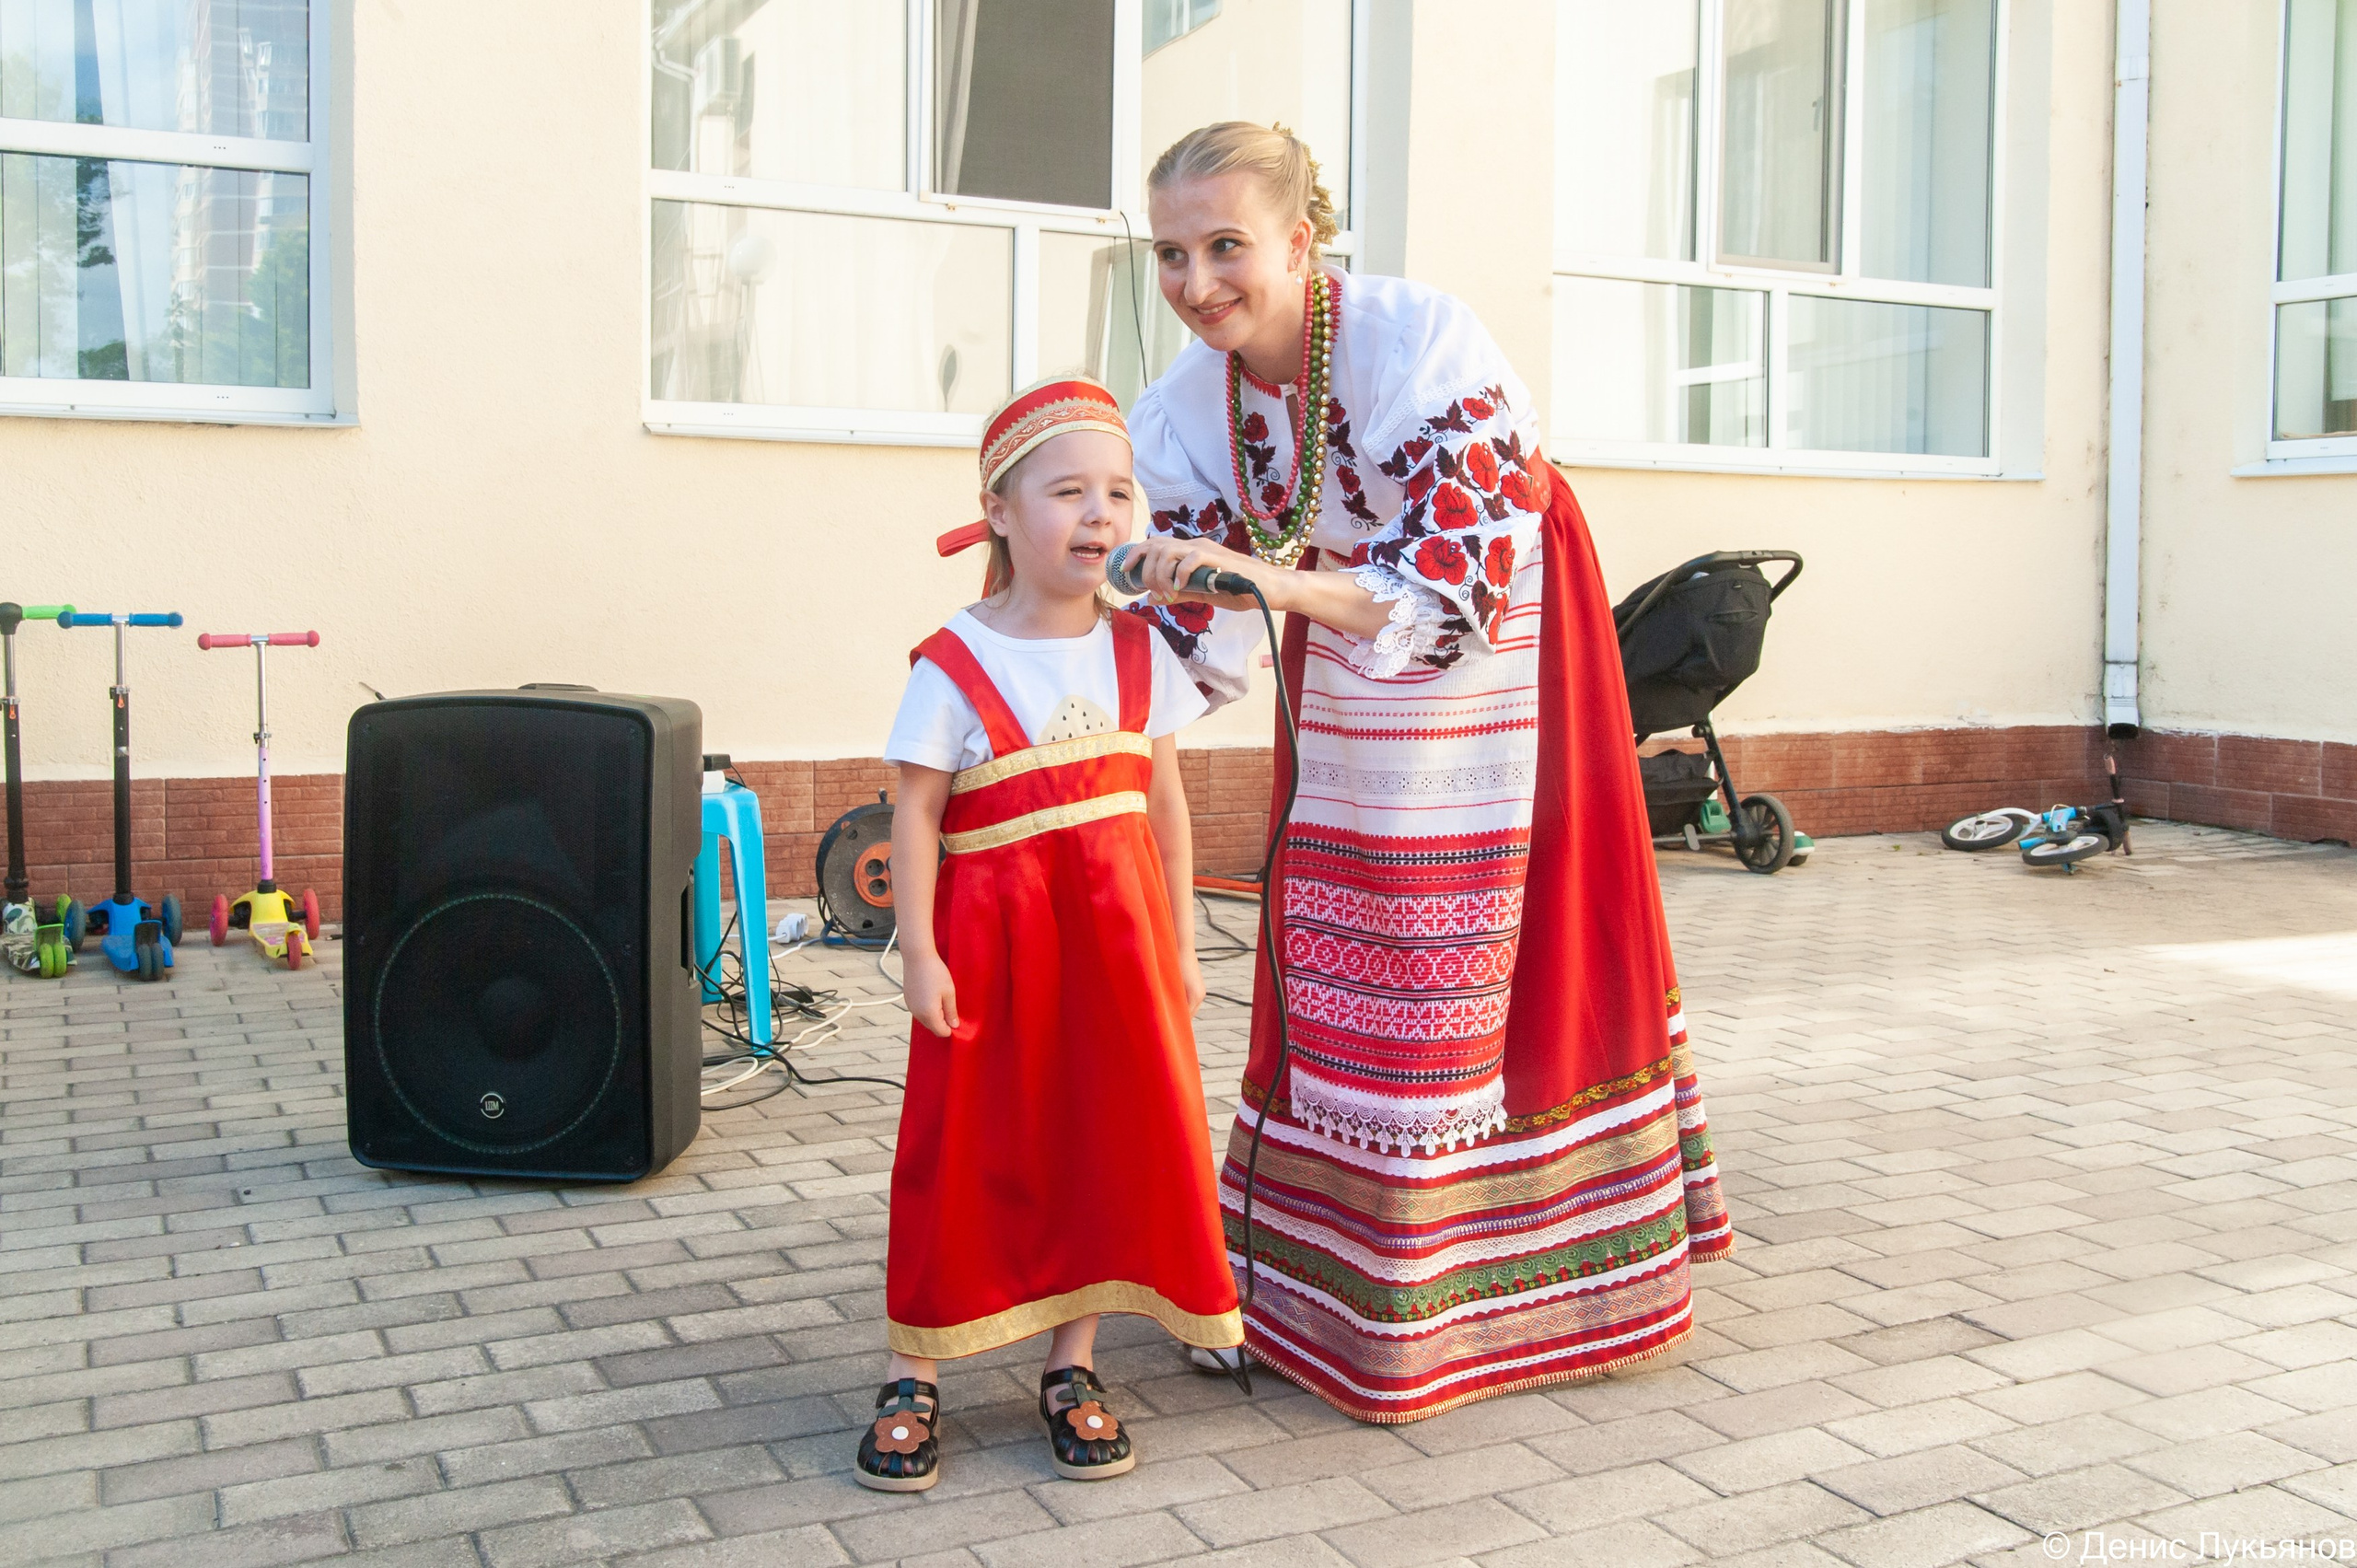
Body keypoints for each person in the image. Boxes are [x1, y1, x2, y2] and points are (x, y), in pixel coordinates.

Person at [1116, 123, 1735, 1425]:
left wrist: (1272, 582)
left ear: (1300, 238)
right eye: (1172, 252)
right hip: (1347, 646)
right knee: (1355, 927)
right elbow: (1184, 619)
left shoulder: (1419, 337)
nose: (1198, 280)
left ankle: (1541, 1293)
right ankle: (1323, 1286)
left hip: (1510, 632)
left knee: (1502, 931)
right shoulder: (1181, 405)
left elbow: (1457, 580)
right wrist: (1058, 689)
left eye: (1227, 245)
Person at [861, 377, 1245, 1491]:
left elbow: (1163, 806)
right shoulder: (954, 661)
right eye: (1068, 490)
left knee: (1097, 1140)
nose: (1100, 514)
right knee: (963, 1146)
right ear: (998, 509)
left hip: (1117, 956)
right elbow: (916, 813)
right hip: (992, 954)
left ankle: (1070, 1363)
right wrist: (922, 952)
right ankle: (915, 1367)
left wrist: (1181, 945)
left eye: (1118, 492)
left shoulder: (1141, 654)